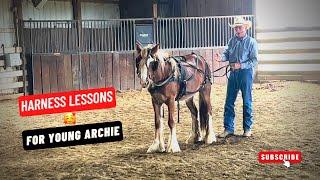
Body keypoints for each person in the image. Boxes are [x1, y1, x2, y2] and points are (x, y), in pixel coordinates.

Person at [214, 16, 258, 138]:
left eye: (240, 27)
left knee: (247, 101)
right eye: (236, 28)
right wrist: (221, 58)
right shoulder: (232, 41)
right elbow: (226, 54)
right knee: (229, 101)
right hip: (233, 73)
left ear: (245, 28)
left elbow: (254, 61)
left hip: (246, 74)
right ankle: (228, 128)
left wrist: (241, 65)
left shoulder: (251, 42)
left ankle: (247, 128)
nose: (238, 30)